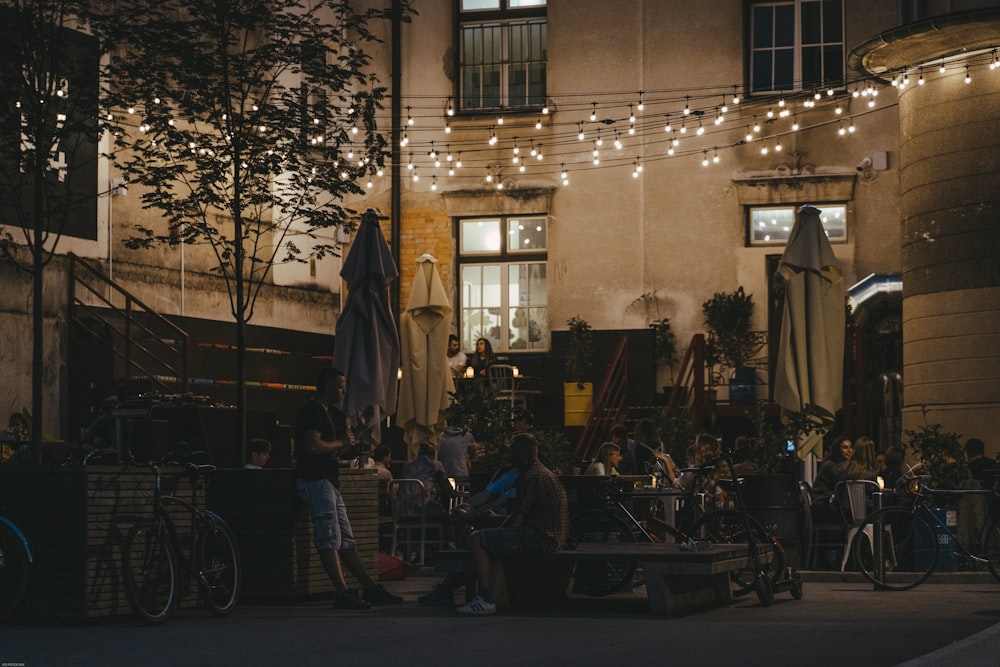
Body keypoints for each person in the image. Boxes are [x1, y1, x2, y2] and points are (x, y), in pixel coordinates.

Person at [293, 366, 402, 610]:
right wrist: (339, 442)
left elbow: (329, 448)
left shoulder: (326, 413)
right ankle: (342, 592)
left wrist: (356, 434)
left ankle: (369, 587)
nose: (343, 391)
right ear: (328, 387)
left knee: (346, 539)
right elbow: (312, 446)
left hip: (329, 481)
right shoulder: (313, 411)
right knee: (329, 537)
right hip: (316, 480)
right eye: (341, 386)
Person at [457, 433, 569, 616]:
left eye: (513, 454)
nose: (511, 458)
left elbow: (516, 521)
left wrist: (492, 527)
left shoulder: (531, 478)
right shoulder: (543, 473)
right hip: (552, 537)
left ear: (523, 454)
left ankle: (485, 598)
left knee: (477, 539)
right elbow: (520, 517)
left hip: (541, 539)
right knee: (490, 538)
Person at [810, 435, 854, 504]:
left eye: (850, 447)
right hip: (822, 502)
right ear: (838, 450)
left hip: (833, 500)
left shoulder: (843, 465)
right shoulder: (830, 465)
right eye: (845, 448)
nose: (849, 450)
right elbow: (843, 480)